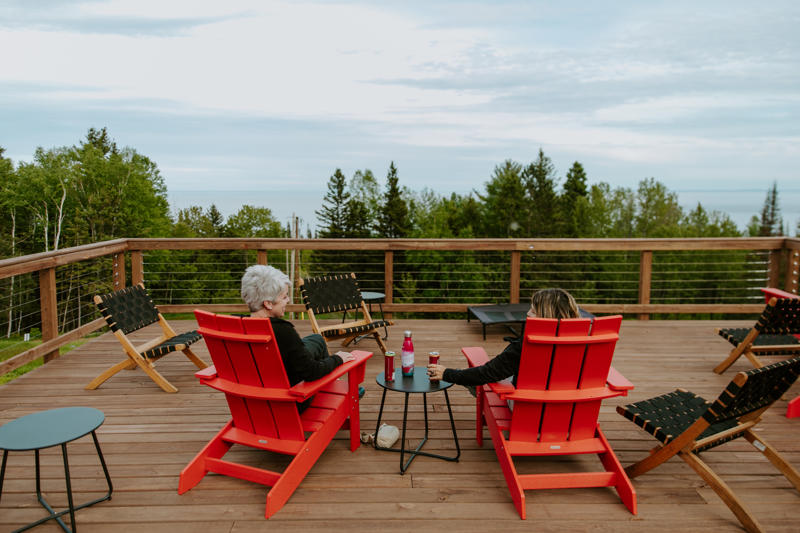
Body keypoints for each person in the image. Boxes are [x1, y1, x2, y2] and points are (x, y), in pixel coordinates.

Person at [241, 264, 356, 412]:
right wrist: (338, 359)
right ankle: (333, 389)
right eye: (284, 297)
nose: (288, 300)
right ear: (268, 304)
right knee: (319, 361)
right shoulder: (282, 331)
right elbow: (311, 372)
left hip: (251, 402)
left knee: (317, 340)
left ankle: (331, 379)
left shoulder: (234, 326)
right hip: (289, 403)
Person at [427, 288, 580, 388]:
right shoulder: (584, 342)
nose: (527, 314)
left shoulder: (527, 345)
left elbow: (489, 373)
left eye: (533, 311)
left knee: (479, 381)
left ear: (546, 316)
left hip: (528, 408)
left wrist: (447, 373)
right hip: (572, 412)